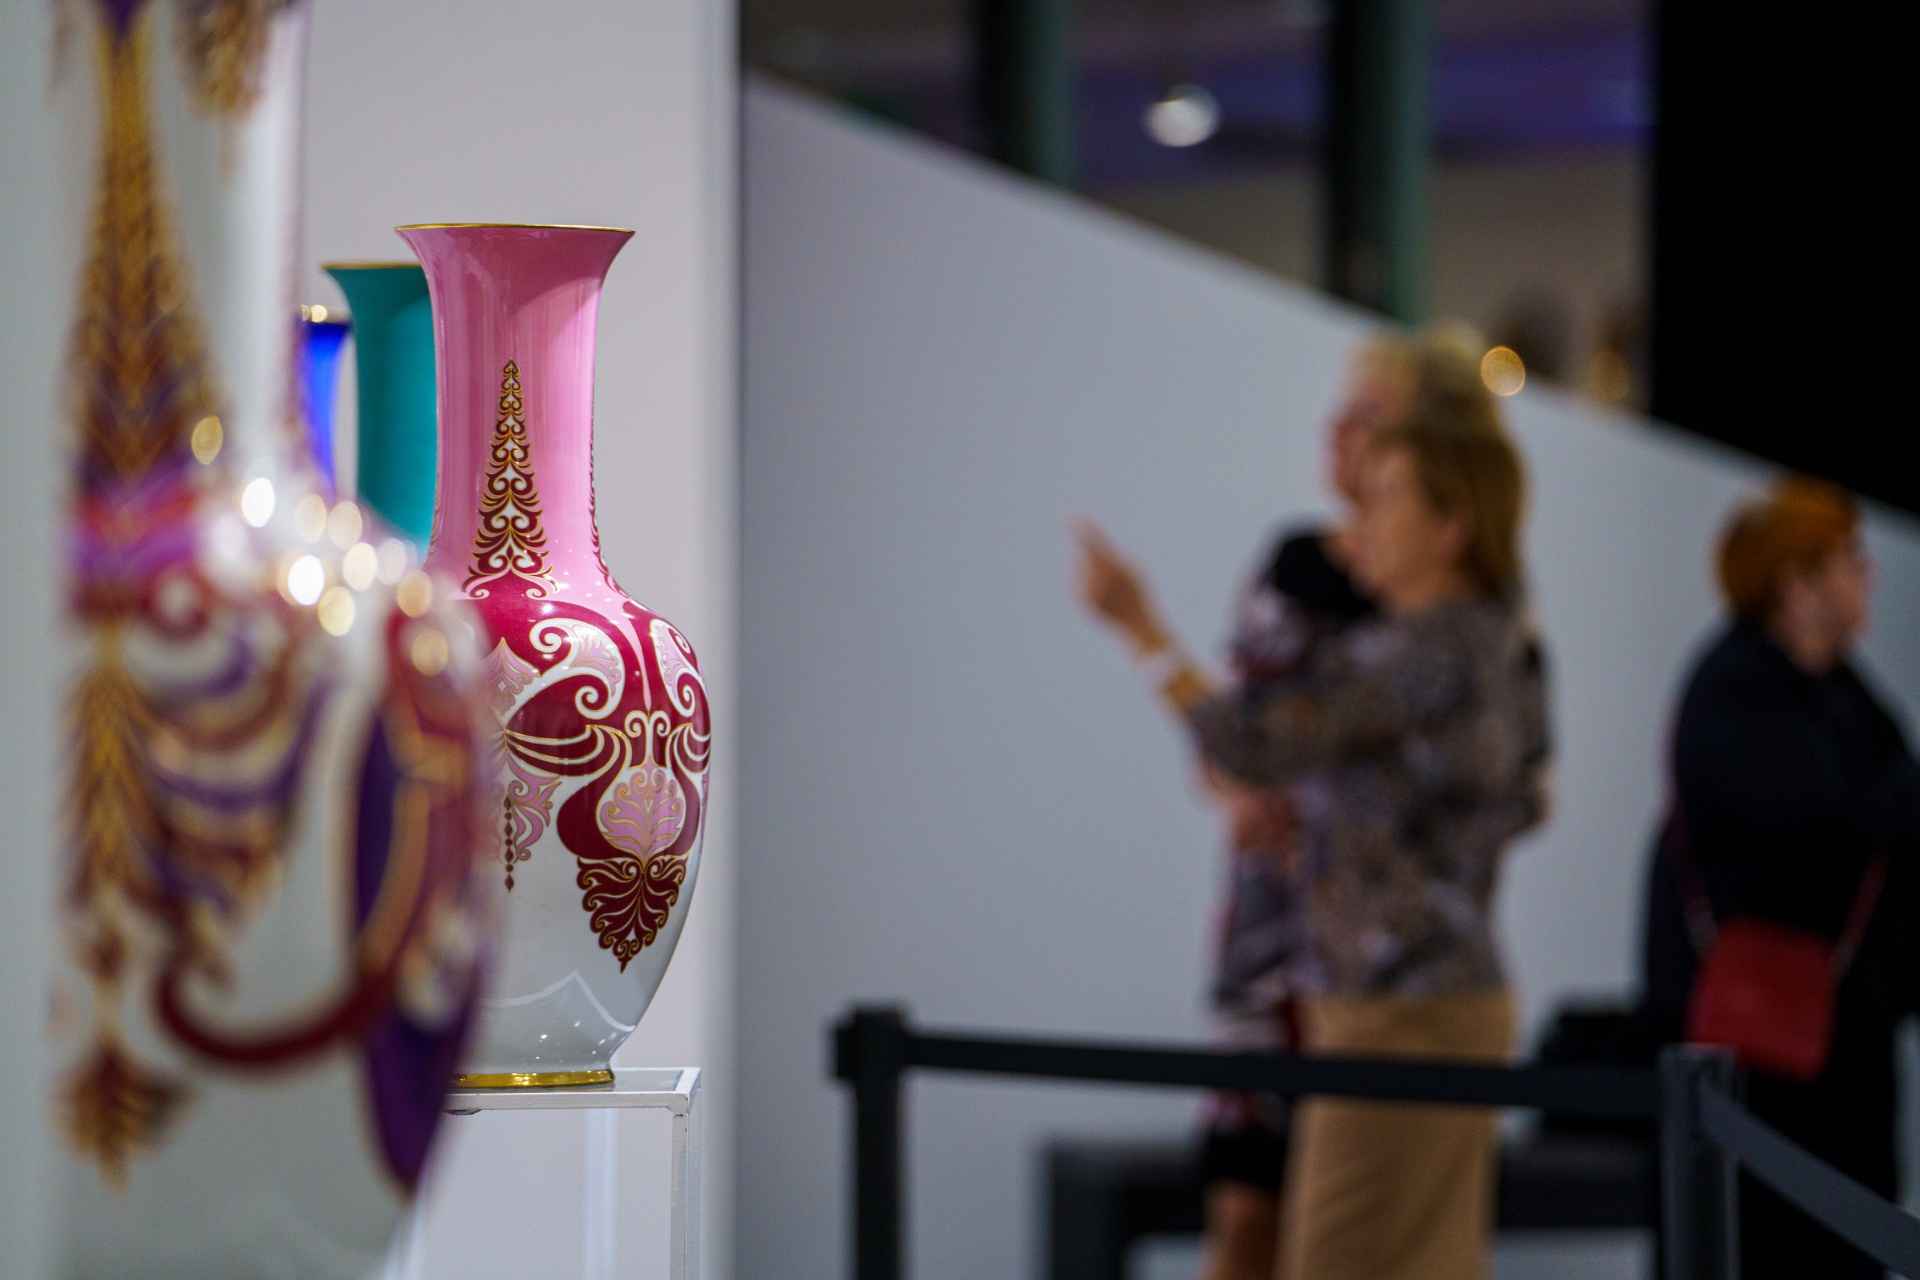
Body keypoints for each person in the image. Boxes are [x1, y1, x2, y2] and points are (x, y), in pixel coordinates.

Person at [1078, 396, 1548, 1280]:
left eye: (1389, 495)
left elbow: (1252, 743)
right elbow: (1525, 793)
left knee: (1338, 1260)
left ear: (1452, 527)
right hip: (1427, 998)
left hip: (1401, 1009)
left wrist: (1140, 627)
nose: (1362, 519)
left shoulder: (1419, 651)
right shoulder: (1487, 639)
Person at [1640, 478, 1920, 1280]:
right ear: (1797, 583)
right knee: (1760, 1240)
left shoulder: (1842, 688)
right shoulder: (1737, 687)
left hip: (1840, 1039)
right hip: (1762, 1048)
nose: (1867, 574)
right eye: (1847, 559)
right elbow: (1825, 813)